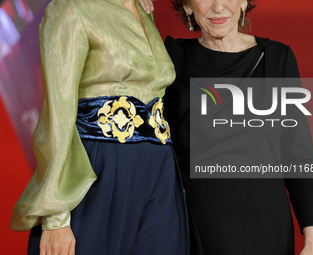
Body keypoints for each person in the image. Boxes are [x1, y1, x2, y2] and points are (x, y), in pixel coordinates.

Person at [138, 0, 313, 254]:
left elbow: (298, 151)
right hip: (195, 229)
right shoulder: (172, 58)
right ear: (188, 7)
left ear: (244, 2)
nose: (218, 7)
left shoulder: (277, 58)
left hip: (267, 230)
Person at [9, 0, 189, 254]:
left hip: (160, 170)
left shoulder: (145, 10)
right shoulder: (70, 8)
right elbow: (56, 117)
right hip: (100, 168)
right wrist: (55, 218)